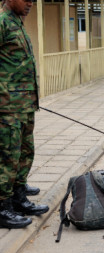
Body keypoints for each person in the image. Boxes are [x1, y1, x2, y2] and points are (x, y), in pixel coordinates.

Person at [0, 0, 49, 229]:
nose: (30, 3)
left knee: (24, 152)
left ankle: (19, 198)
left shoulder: (16, 22)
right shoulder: (1, 22)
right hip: (8, 107)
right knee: (7, 158)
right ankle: (2, 208)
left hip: (24, 104)